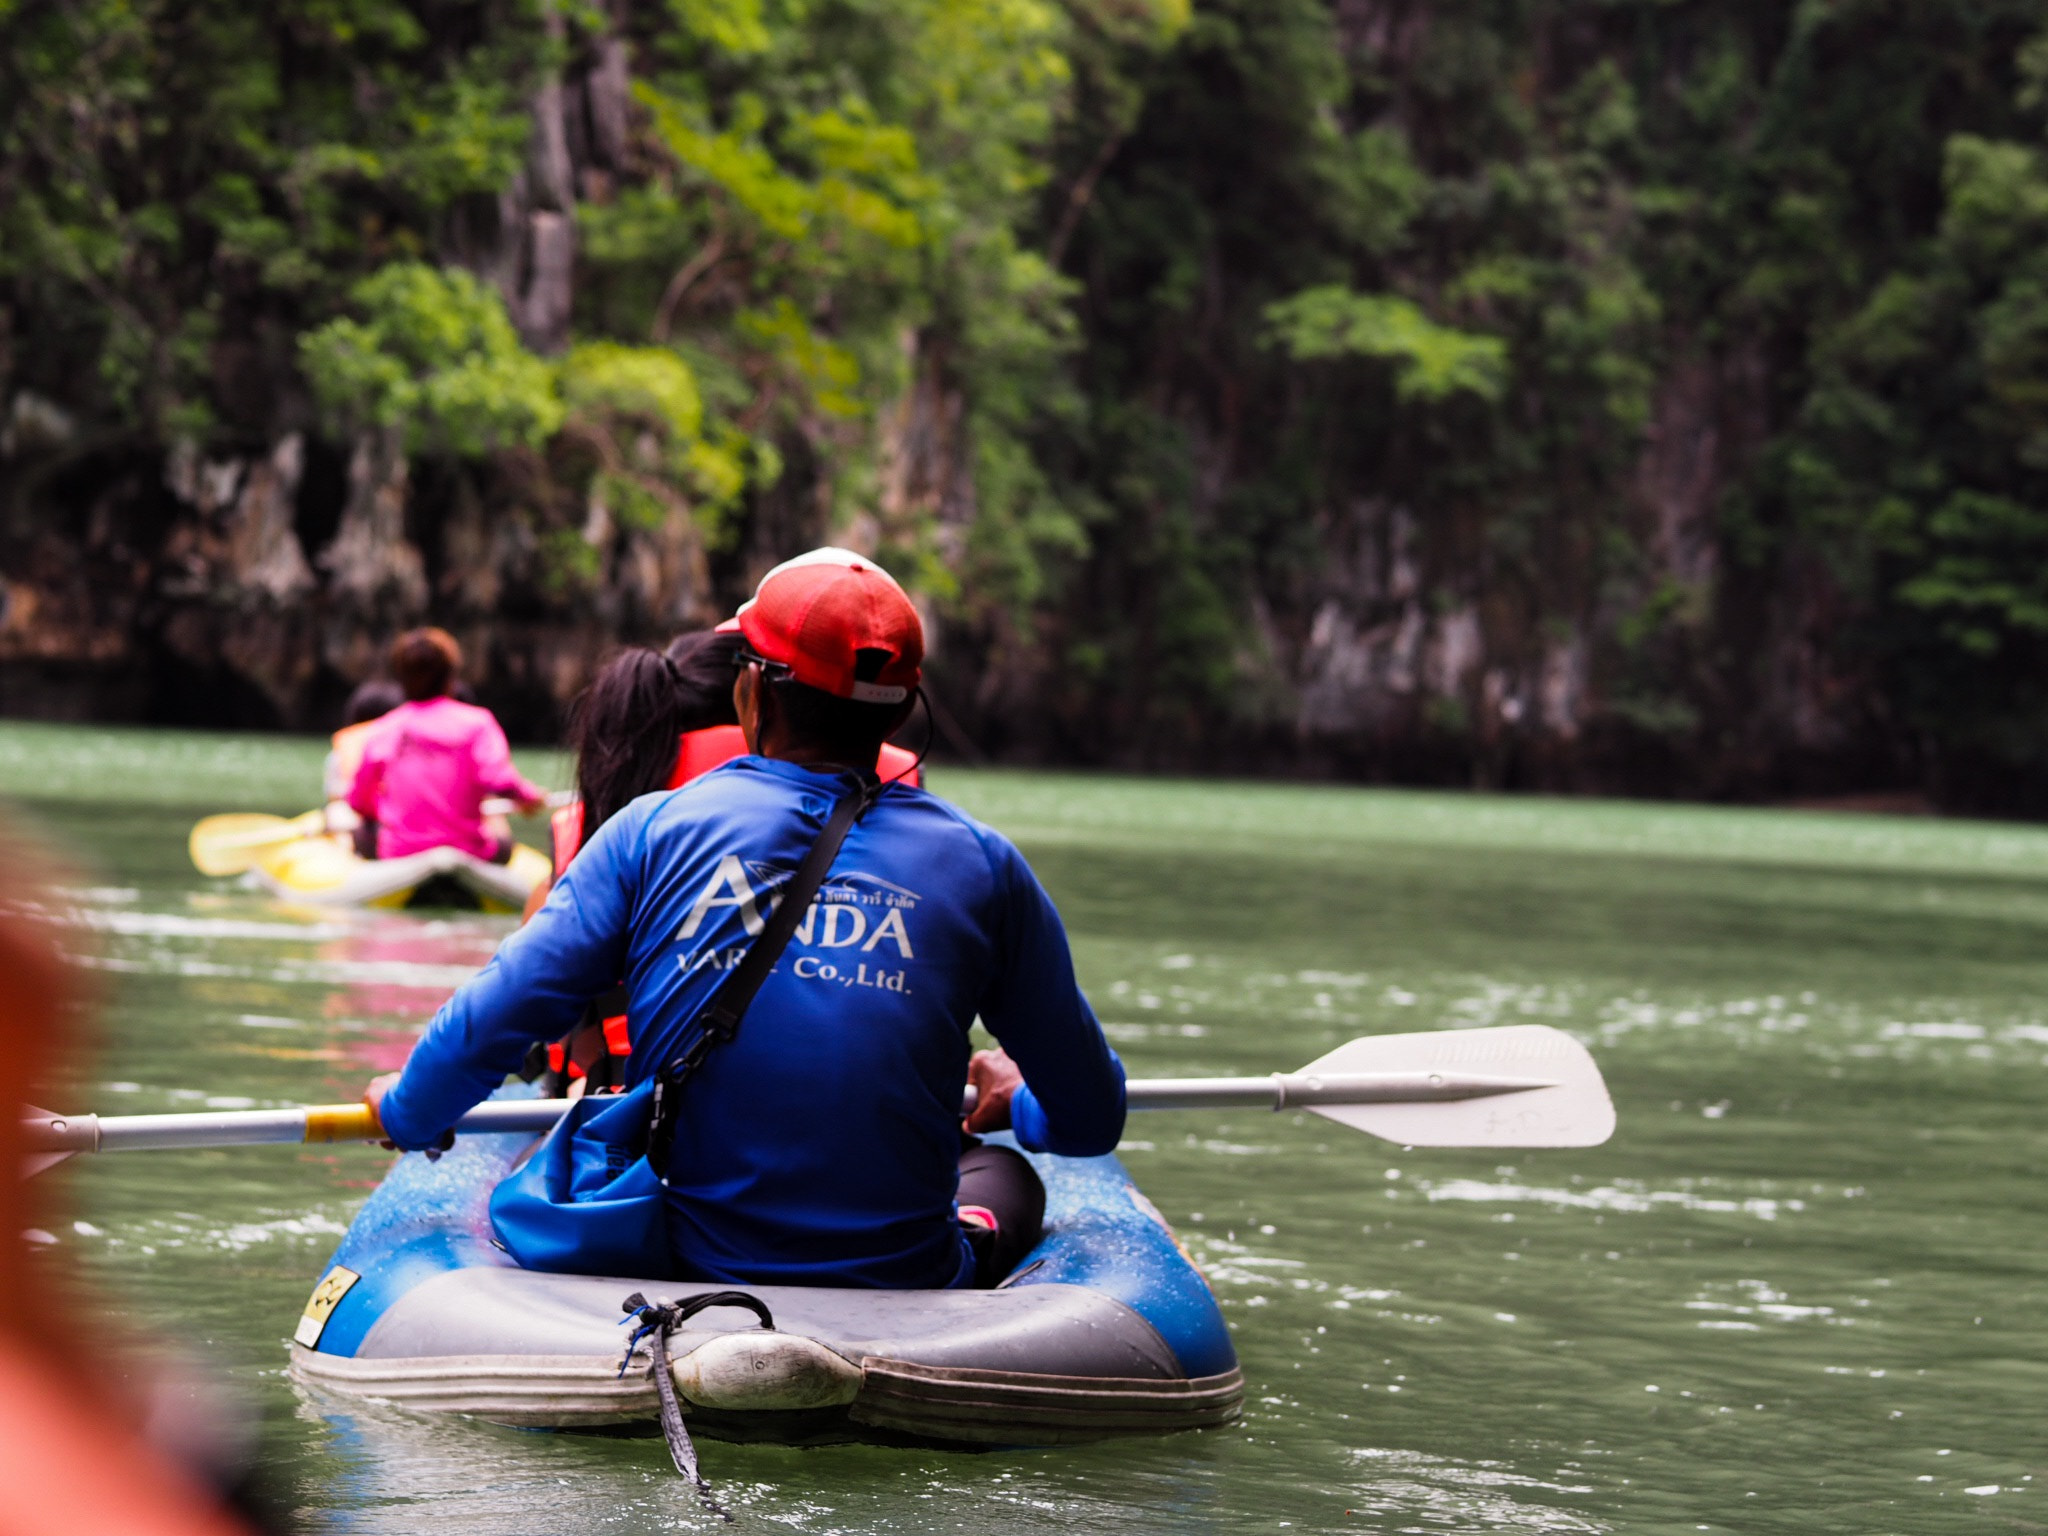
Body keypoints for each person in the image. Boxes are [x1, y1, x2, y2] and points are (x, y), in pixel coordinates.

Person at [367, 549, 1125, 1289]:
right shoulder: (985, 864)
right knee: (1006, 1174)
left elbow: (497, 1014)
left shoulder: (650, 828)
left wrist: (405, 1110)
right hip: (901, 1274)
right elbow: (1090, 1122)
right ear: (903, 706)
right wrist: (1017, 1103)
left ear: (753, 690)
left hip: (690, 1258)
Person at [346, 628, 546, 863]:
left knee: (361, 834)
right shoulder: (478, 723)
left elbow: (358, 800)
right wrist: (529, 797)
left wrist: (388, 810)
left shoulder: (387, 728)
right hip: (469, 850)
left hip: (400, 851)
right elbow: (499, 779)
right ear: (450, 676)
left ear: (402, 677)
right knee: (502, 839)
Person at [324, 678, 403, 851]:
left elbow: (337, 797)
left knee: (335, 811)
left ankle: (344, 857)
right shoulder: (404, 745)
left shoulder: (341, 751)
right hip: (396, 824)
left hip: (361, 826)